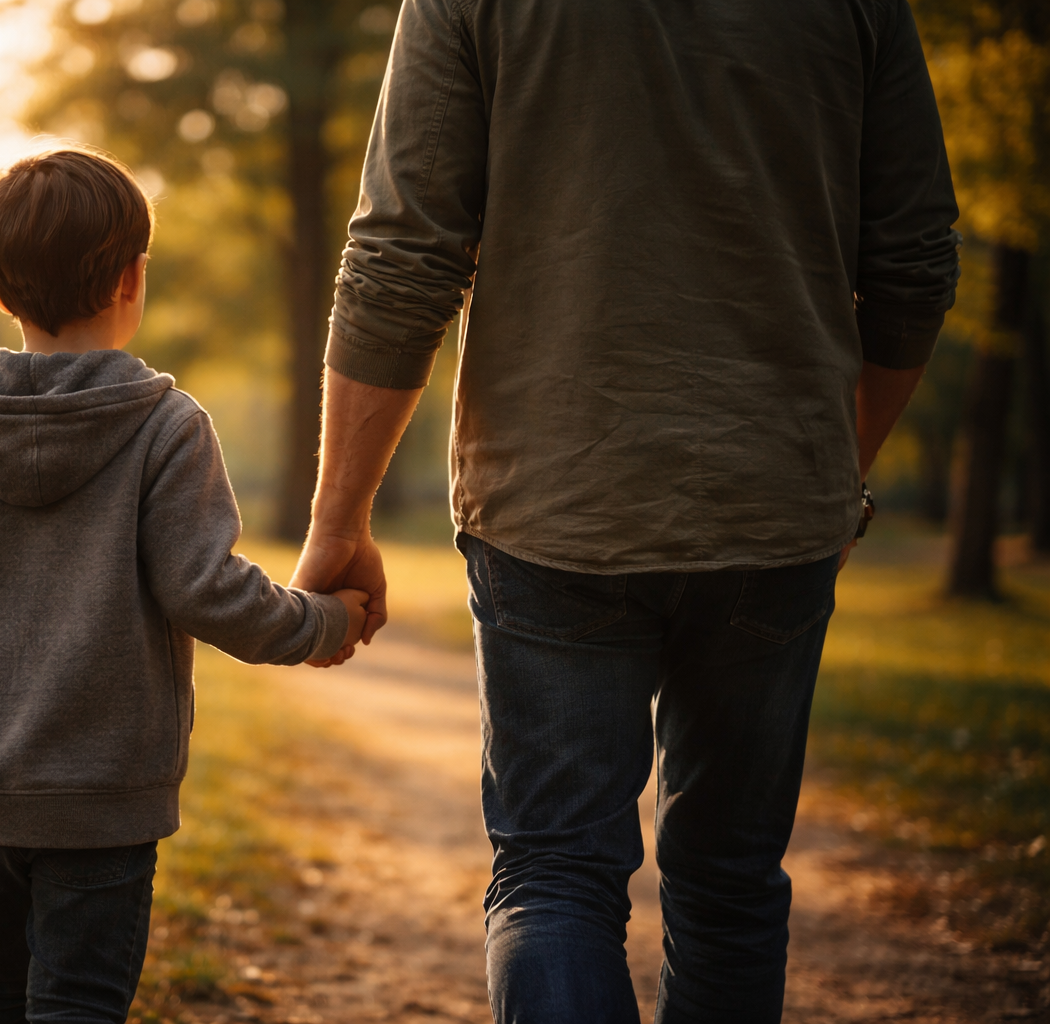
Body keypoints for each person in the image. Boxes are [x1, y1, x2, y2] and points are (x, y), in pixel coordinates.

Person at [290, 0, 959, 1020]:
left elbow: (401, 257)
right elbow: (914, 262)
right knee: (731, 884)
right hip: (773, 508)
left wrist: (338, 520)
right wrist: (827, 466)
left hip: (552, 506)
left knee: (556, 872)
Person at [0, 146, 367, 1024]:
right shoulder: (166, 426)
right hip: (104, 799)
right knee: (79, 1001)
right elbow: (207, 590)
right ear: (134, 278)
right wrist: (323, 622)